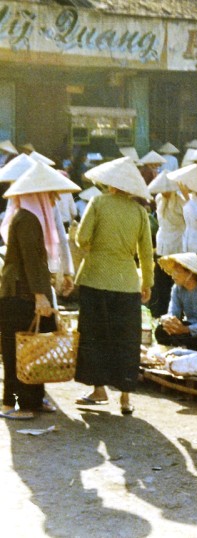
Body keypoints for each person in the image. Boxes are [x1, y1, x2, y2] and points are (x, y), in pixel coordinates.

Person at [74, 157, 154, 415]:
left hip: (94, 278)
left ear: (109, 184)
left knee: (95, 336)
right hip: (128, 283)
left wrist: (95, 250)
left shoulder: (98, 202)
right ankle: (126, 397)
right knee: (126, 340)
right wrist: (148, 282)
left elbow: (81, 238)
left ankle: (98, 391)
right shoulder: (140, 212)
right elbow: (146, 254)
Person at [0, 162, 79, 419]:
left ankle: (32, 400)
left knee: (34, 347)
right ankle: (11, 403)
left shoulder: (30, 216)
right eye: (52, 192)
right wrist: (40, 296)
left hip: (26, 290)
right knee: (17, 348)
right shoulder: (27, 219)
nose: (56, 197)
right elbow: (31, 261)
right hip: (19, 292)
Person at [154, 253, 197, 350]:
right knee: (160, 331)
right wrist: (169, 321)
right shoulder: (177, 289)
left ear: (190, 273)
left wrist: (185, 329)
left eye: (178, 272)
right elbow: (174, 313)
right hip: (190, 326)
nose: (173, 275)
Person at [148, 172, 186, 317]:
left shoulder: (180, 200)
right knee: (160, 279)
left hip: (177, 242)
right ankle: (159, 311)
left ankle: (175, 312)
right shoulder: (158, 198)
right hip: (163, 241)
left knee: (174, 279)